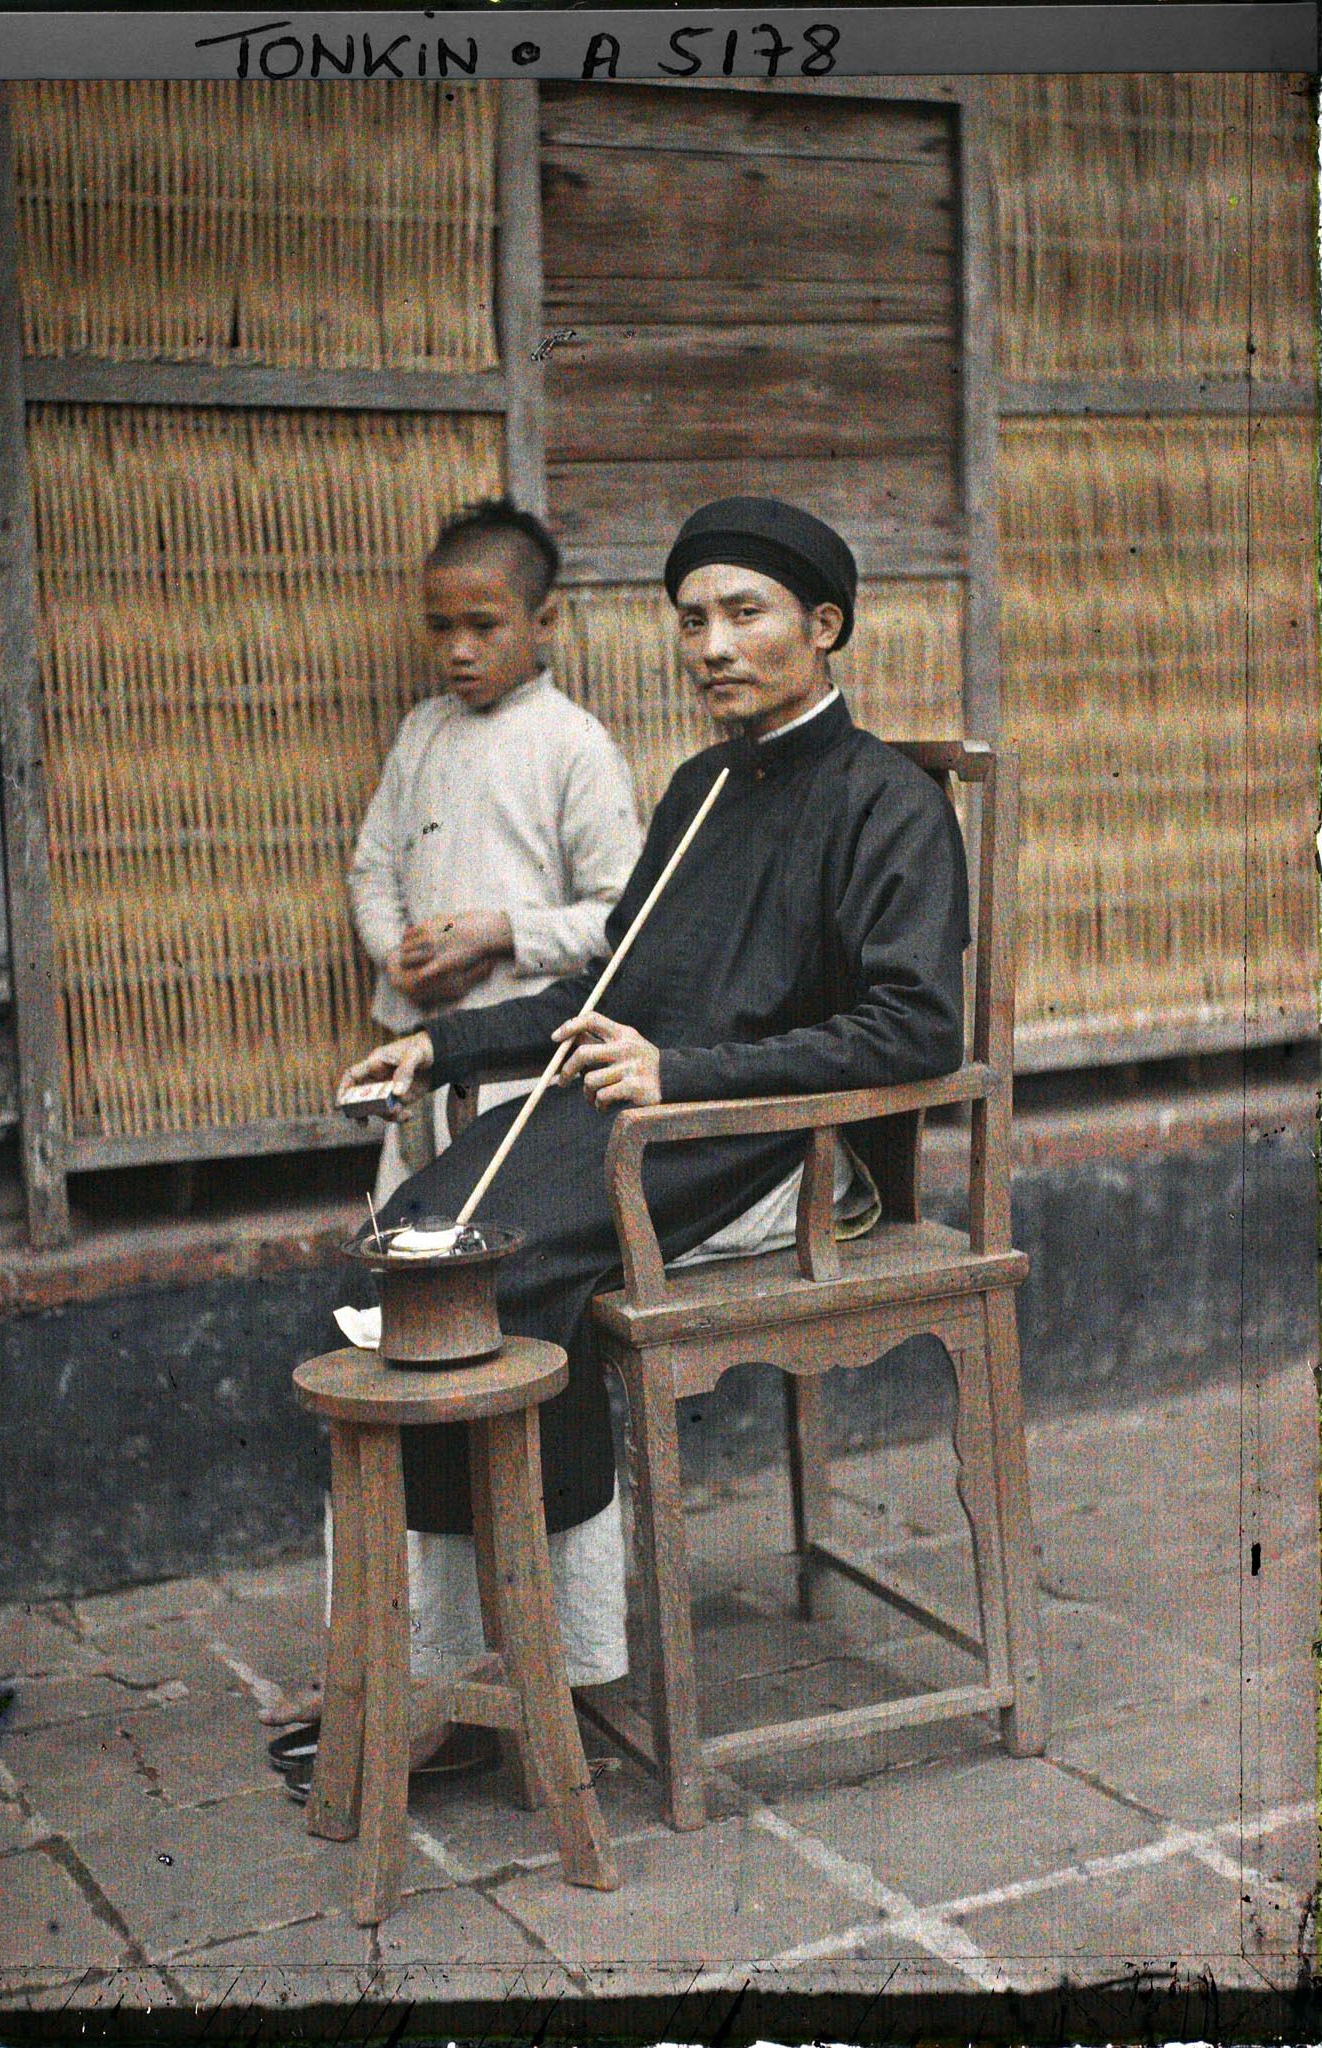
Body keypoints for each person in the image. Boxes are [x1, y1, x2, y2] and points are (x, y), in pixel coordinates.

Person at [273, 495, 970, 1791]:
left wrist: (680, 1069)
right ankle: (422, 1655)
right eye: (692, 620)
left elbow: (916, 1028)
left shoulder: (887, 802)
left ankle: (548, 1661)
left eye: (745, 614)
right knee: (414, 1248)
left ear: (824, 626)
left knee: (488, 1274)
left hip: (785, 1155)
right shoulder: (703, 788)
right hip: (655, 1119)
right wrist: (443, 1046)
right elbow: (607, 992)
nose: (713, 645)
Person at [345, 496, 642, 1207]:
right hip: (421, 1045)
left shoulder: (575, 745)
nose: (459, 649)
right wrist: (397, 958)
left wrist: (500, 932)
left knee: (502, 1215)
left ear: (543, 621)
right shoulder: (422, 732)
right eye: (440, 627)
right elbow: (373, 868)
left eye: (483, 626)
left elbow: (621, 917)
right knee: (413, 1217)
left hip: (526, 1058)